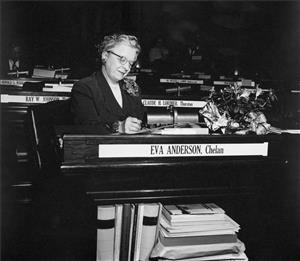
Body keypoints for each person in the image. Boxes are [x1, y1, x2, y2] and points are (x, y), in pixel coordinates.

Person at [71, 34, 145, 134]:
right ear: (105, 55)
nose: (127, 67)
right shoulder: (85, 88)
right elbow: (87, 127)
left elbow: (141, 123)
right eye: (122, 59)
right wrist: (119, 127)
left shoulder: (132, 87)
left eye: (130, 63)